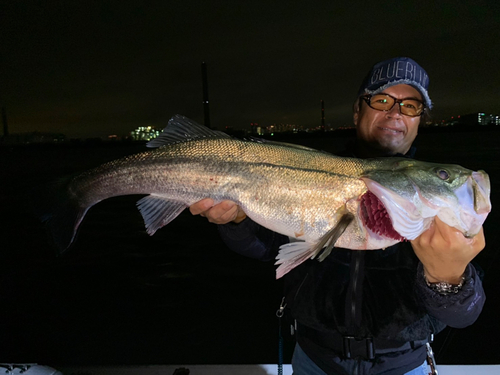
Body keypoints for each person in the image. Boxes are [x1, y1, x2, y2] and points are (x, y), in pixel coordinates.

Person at [189, 57, 486, 375]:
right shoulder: (306, 169)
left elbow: (463, 316)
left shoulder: (436, 203)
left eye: (410, 105)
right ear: (358, 110)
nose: (395, 113)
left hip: (403, 365)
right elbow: (266, 247)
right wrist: (236, 220)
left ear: (419, 120)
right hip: (315, 359)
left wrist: (449, 278)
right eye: (382, 100)